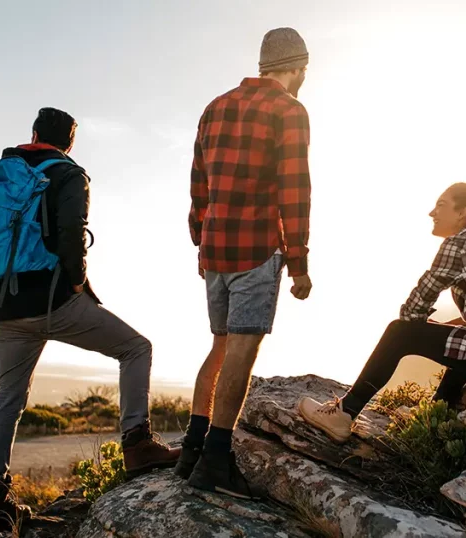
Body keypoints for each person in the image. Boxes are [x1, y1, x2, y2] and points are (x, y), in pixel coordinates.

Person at [0, 108, 179, 531]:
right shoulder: (69, 174)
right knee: (136, 348)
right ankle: (137, 445)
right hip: (54, 303)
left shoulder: (6, 171)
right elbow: (70, 234)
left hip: (4, 308)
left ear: (33, 134)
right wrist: (79, 284)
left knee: (8, 397)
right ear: (69, 142)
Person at [297, 183, 466, 443]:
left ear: (462, 213)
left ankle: (344, 413)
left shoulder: (459, 244)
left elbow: (412, 311)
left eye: (441, 205)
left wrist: (418, 326)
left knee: (399, 332)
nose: (432, 212)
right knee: (462, 335)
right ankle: (439, 411)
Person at [176, 27, 313, 500]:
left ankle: (191, 447)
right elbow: (295, 191)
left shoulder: (215, 107)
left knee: (219, 346)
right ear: (298, 68)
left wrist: (200, 241)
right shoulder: (290, 111)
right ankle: (215, 459)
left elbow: (199, 183)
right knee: (241, 351)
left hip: (215, 249)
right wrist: (299, 262)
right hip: (256, 248)